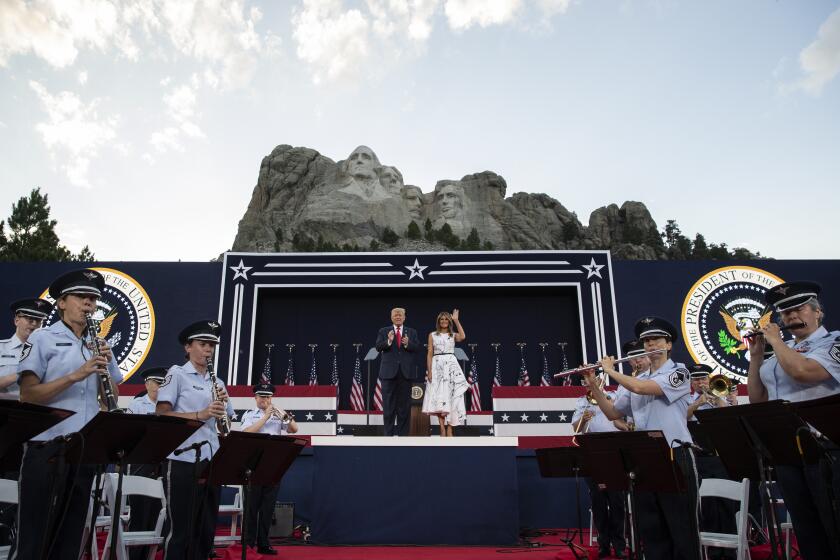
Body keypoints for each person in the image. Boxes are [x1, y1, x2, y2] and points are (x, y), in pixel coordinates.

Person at [11, 269, 123, 559]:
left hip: (83, 450)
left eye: (94, 299)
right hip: (46, 448)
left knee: (70, 536)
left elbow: (111, 400)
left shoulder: (98, 343)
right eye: (82, 297)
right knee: (34, 538)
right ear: (61, 302)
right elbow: (28, 394)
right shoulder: (42, 339)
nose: (89, 304)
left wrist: (105, 369)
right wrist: (76, 374)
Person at [583, 316, 700, 560]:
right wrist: (594, 386)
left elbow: (642, 389)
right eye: (645, 341)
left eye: (655, 339)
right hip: (644, 459)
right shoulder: (637, 379)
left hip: (674, 454)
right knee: (651, 528)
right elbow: (614, 412)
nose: (649, 344)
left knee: (681, 527)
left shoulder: (679, 373)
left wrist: (611, 370)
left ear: (668, 344)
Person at [746, 281, 840, 560]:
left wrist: (775, 340)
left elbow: (804, 372)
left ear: (817, 312)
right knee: (805, 527)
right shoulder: (778, 356)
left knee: (832, 524)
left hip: (826, 449)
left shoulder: (833, 342)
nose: (791, 318)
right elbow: (757, 399)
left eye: (798, 310)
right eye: (785, 314)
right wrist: (757, 357)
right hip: (788, 450)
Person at [156, 319, 235, 560]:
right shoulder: (177, 374)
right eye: (203, 344)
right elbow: (161, 414)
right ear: (188, 347)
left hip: (211, 461)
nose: (208, 350)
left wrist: (221, 413)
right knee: (181, 529)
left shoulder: (218, 382)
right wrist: (200, 415)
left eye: (212, 345)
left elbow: (226, 426)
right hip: (183, 458)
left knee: (205, 530)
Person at [571, 379, 629, 559]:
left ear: (599, 382)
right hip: (592, 453)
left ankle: (619, 544)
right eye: (587, 384)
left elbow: (624, 419)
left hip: (615, 451)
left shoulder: (613, 396)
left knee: (617, 502)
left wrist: (605, 400)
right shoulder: (582, 401)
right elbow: (576, 428)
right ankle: (603, 544)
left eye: (592, 383)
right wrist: (583, 418)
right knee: (598, 503)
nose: (589, 386)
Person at [239, 383, 299, 555]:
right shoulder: (249, 415)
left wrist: (282, 414)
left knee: (267, 507)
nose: (265, 400)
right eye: (262, 397)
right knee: (251, 506)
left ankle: (264, 543)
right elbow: (247, 433)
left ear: (271, 398)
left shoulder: (278, 415)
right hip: (253, 463)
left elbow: (294, 429)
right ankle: (248, 544)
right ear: (255, 398)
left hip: (273, 464)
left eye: (267, 397)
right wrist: (265, 417)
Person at [125, 367, 167, 560]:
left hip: (163, 462)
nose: (159, 388)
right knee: (140, 512)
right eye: (157, 383)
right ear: (147, 384)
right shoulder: (138, 405)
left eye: (162, 384)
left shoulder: (170, 406)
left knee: (159, 513)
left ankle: (154, 553)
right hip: (141, 463)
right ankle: (135, 555)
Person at [421, 310, 468, 437]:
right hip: (437, 366)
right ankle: (442, 428)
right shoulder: (432, 335)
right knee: (438, 398)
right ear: (438, 321)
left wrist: (457, 320)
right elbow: (429, 353)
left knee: (451, 397)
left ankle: (450, 427)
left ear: (449, 321)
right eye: (441, 319)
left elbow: (462, 337)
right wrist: (429, 371)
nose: (444, 321)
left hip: (451, 366)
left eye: (446, 319)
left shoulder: (452, 335)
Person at [375, 307, 419, 436]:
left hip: (405, 373)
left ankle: (403, 436)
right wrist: (388, 341)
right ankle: (388, 435)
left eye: (400, 315)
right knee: (388, 406)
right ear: (391, 317)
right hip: (388, 374)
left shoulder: (412, 332)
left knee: (404, 407)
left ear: (404, 317)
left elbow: (417, 348)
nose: (398, 317)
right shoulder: (383, 331)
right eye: (395, 315)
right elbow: (378, 347)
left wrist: (408, 343)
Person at [0, 297, 51, 398]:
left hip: (36, 409)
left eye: (39, 320)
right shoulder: (1, 348)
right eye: (30, 319)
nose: (34, 324)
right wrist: (22, 374)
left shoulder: (49, 351)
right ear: (16, 320)